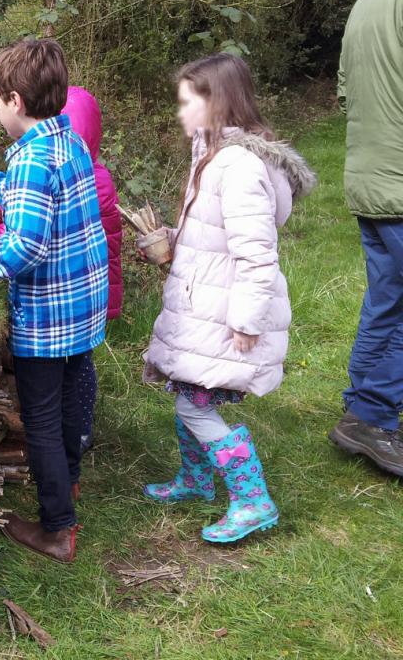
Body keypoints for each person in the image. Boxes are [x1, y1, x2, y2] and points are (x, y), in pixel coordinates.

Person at [0, 39, 109, 564]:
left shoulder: (34, 159)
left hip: (47, 317)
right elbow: (25, 193)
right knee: (68, 404)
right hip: (83, 309)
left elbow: (24, 248)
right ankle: (69, 486)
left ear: (14, 100)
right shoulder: (68, 141)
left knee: (41, 419)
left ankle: (57, 528)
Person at [141, 53, 315, 544]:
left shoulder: (238, 166)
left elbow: (256, 256)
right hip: (205, 304)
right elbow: (214, 234)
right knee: (187, 396)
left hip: (225, 313)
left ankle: (253, 499)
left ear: (216, 103)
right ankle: (197, 481)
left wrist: (246, 320)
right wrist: (174, 239)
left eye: (186, 103)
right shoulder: (212, 154)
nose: (180, 114)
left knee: (197, 406)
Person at [328, 0, 403, 478]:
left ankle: (363, 411)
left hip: (370, 178)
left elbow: (343, 93)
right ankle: (374, 416)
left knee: (387, 299)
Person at [62, 86, 124, 461]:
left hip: (80, 291)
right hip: (88, 290)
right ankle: (75, 426)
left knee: (79, 365)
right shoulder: (95, 174)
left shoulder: (89, 180)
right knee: (77, 363)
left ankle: (81, 428)